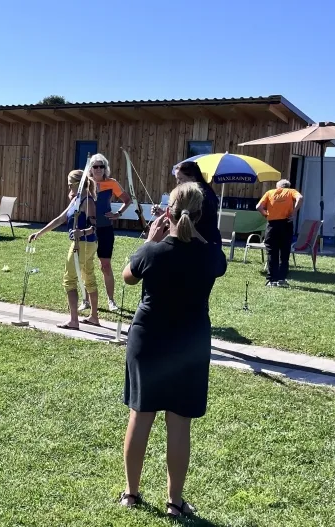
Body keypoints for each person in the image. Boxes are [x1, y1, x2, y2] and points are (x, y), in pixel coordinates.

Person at [118, 182, 227, 519]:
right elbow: (216, 261)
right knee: (179, 424)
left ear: (168, 212)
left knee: (141, 415)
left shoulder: (152, 252)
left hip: (148, 340)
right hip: (190, 344)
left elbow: (127, 277)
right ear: (201, 215)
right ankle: (174, 503)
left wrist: (151, 240)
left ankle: (131, 494)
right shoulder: (211, 255)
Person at [28, 170, 101, 329]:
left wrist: (81, 232)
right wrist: (39, 233)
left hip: (82, 244)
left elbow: (94, 227)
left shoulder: (87, 201)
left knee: (69, 280)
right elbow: (60, 219)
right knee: (88, 277)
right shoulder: (76, 199)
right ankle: (94, 317)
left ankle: (74, 321)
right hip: (85, 244)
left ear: (77, 184)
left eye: (70, 184)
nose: (68, 188)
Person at [80, 153, 132, 312]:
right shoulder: (85, 182)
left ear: (105, 168)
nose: (98, 169)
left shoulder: (111, 183)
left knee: (105, 265)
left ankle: (111, 300)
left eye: (101, 166)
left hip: (105, 229)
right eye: (95, 166)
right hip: (87, 229)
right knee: (85, 265)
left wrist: (118, 214)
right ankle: (85, 300)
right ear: (90, 168)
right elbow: (73, 197)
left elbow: (127, 200)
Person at [153, 161, 222, 246]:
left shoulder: (200, 196)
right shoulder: (195, 193)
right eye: (176, 179)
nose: (178, 183)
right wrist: (168, 215)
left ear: (192, 178)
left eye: (181, 179)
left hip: (205, 243)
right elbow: (185, 217)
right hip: (201, 243)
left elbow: (191, 224)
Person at [256, 179, 303, 287]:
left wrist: (265, 214)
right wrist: (294, 212)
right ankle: (281, 279)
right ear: (288, 186)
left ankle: (271, 279)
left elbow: (258, 207)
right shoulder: (291, 192)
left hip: (272, 225)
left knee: (272, 252)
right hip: (286, 223)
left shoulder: (270, 193)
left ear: (278, 187)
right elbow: (300, 198)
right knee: (284, 252)